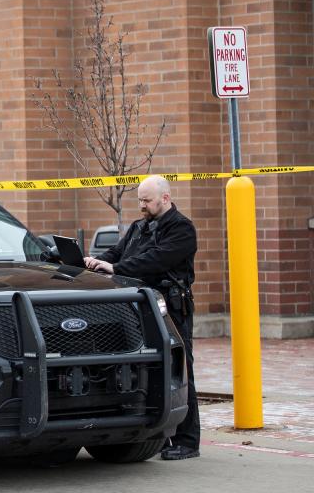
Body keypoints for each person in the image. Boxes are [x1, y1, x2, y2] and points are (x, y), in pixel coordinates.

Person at [84, 175, 199, 460]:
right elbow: (117, 252)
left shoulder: (181, 229)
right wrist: (95, 262)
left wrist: (116, 267)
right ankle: (156, 434)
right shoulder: (139, 226)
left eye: (147, 200)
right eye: (140, 200)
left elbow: (156, 260)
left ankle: (187, 440)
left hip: (170, 307)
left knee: (180, 369)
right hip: (138, 307)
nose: (142, 206)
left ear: (166, 198)